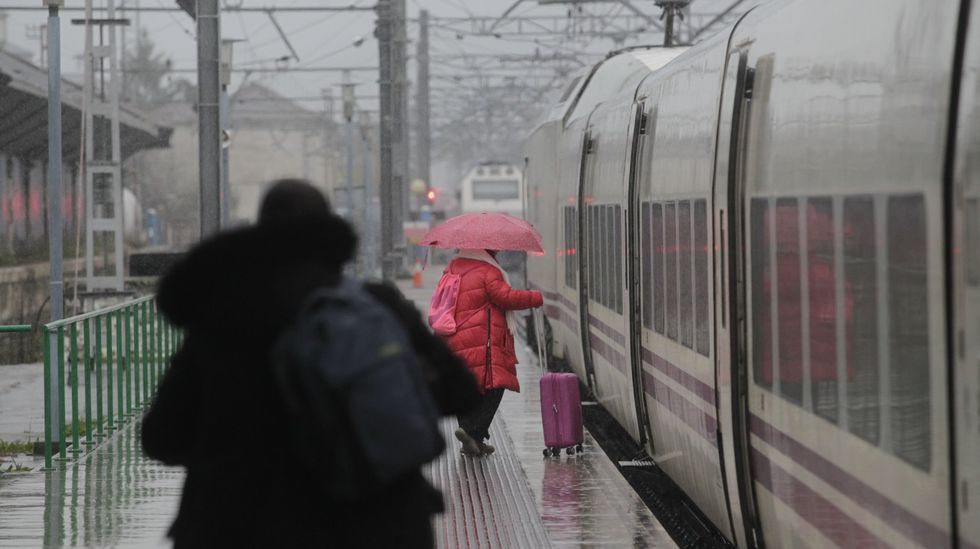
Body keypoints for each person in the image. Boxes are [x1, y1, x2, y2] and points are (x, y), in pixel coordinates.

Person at [142, 179, 478, 549]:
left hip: (244, 525)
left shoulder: (222, 324)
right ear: (329, 236)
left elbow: (162, 437)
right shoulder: (375, 306)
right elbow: (461, 392)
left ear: (261, 236)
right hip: (376, 522)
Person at [438, 248, 543, 456]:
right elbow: (505, 298)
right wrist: (535, 297)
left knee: (467, 386)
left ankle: (472, 441)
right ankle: (471, 430)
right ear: (488, 250)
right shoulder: (488, 271)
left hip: (456, 337)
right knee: (495, 387)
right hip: (481, 339)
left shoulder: (453, 267)